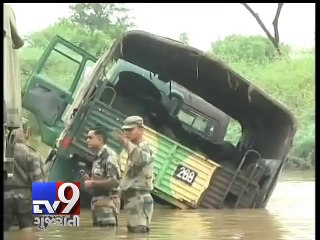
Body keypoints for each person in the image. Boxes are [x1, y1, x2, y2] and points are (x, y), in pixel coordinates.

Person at [4, 118, 47, 232]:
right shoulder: (32, 155)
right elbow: (40, 185)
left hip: (5, 200)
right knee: (27, 232)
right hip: (25, 202)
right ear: (27, 133)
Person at [116, 116, 154, 233]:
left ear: (141, 130)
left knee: (138, 233)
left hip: (139, 199)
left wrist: (127, 144)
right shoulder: (133, 149)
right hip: (132, 200)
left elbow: (141, 160)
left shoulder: (144, 148)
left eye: (130, 130)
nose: (126, 133)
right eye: (125, 130)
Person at [83, 126, 121, 227]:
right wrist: (91, 180)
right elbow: (104, 178)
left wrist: (93, 183)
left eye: (90, 138)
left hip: (107, 204)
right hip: (98, 204)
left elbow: (115, 181)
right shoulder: (98, 157)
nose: (87, 140)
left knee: (106, 234)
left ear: (100, 139)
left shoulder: (109, 156)